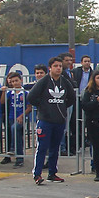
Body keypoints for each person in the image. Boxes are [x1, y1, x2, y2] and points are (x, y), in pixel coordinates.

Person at [27, 56, 77, 185]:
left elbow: (72, 97)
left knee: (55, 148)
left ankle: (52, 173)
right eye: (55, 66)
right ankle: (37, 174)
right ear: (50, 68)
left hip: (59, 120)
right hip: (45, 120)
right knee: (42, 147)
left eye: (60, 66)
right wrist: (43, 105)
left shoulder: (64, 82)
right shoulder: (44, 81)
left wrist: (63, 106)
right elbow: (31, 97)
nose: (58, 68)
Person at [0, 71, 31, 168]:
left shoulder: (25, 93)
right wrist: (3, 92)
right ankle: (19, 158)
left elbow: (29, 107)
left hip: (21, 118)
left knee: (15, 129)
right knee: (17, 136)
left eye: (16, 81)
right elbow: (2, 102)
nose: (15, 83)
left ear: (21, 80)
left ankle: (13, 149)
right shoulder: (10, 92)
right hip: (11, 117)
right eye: (12, 81)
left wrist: (21, 116)